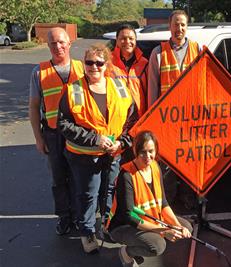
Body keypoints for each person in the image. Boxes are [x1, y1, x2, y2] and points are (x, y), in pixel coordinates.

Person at [58, 43, 138, 253]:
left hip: (113, 153)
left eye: (99, 63)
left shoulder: (120, 88)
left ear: (106, 65)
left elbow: (132, 120)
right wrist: (96, 139)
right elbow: (64, 125)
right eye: (89, 62)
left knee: (109, 191)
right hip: (85, 157)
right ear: (84, 64)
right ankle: (87, 232)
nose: (94, 67)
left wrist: (122, 142)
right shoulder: (73, 90)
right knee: (88, 194)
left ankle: (106, 225)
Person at [106, 131, 192, 266]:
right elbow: (130, 217)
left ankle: (142, 245)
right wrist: (163, 231)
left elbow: (163, 203)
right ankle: (127, 253)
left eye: (151, 151)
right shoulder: (126, 175)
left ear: (156, 150)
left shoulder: (155, 167)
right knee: (157, 246)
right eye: (143, 152)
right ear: (135, 151)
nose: (147, 156)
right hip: (123, 226)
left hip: (150, 218)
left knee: (187, 228)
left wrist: (177, 226)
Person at [29, 27, 84, 235]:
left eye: (61, 42)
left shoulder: (82, 68)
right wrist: (38, 138)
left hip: (79, 135)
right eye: (53, 43)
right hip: (53, 135)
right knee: (59, 179)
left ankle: (80, 217)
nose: (58, 47)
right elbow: (34, 107)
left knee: (79, 177)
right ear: (48, 45)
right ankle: (64, 217)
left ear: (69, 43)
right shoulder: (38, 72)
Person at [147, 9, 201, 209]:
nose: (179, 28)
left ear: (187, 27)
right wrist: (153, 118)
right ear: (169, 26)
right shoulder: (158, 53)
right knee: (167, 161)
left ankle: (187, 196)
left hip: (192, 118)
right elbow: (152, 88)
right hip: (167, 119)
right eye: (176, 24)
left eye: (183, 24)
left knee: (189, 159)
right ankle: (167, 198)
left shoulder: (198, 49)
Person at [109, 24, 148, 117]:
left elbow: (150, 92)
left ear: (135, 40)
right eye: (123, 38)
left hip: (139, 118)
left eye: (131, 38)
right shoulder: (107, 63)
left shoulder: (145, 63)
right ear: (116, 40)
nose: (127, 42)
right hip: (115, 117)